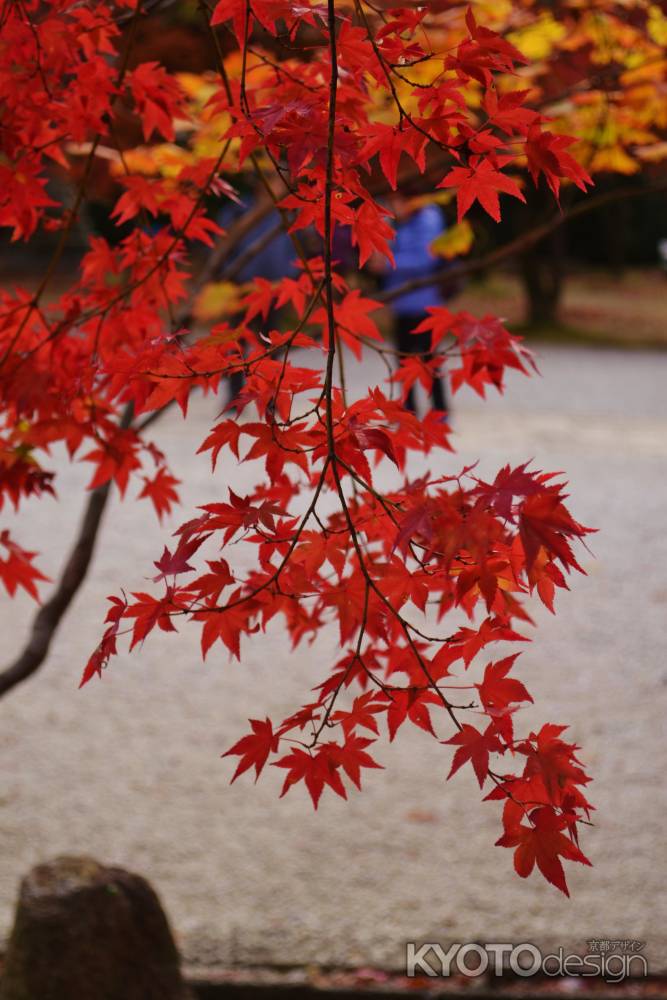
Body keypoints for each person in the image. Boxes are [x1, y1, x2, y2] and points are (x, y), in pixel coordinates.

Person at [380, 193, 449, 415]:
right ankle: (408, 410)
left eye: (397, 200)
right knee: (403, 360)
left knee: (429, 359)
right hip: (401, 301)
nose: (394, 206)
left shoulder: (428, 218)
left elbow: (426, 258)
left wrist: (388, 263)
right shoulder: (396, 222)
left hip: (425, 300)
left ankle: (439, 410)